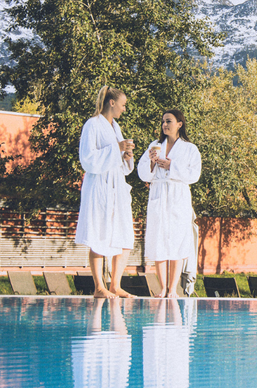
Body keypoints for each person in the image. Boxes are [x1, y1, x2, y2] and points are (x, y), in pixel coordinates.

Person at [76, 85, 136, 299]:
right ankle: (99, 286)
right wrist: (116, 149)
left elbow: (121, 164)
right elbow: (88, 159)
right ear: (112, 103)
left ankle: (115, 285)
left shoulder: (115, 127)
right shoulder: (92, 125)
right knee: (98, 234)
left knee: (125, 235)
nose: (124, 109)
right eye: (123, 105)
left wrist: (126, 157)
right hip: (99, 187)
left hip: (117, 188)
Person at [138, 109, 201, 298]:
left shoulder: (190, 149)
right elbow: (142, 173)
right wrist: (151, 163)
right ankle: (162, 288)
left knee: (177, 241)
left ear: (179, 124)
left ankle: (173, 289)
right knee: (159, 241)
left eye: (169, 121)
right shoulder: (155, 145)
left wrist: (172, 167)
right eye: (163, 121)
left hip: (178, 196)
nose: (165, 125)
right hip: (158, 194)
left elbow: (194, 175)